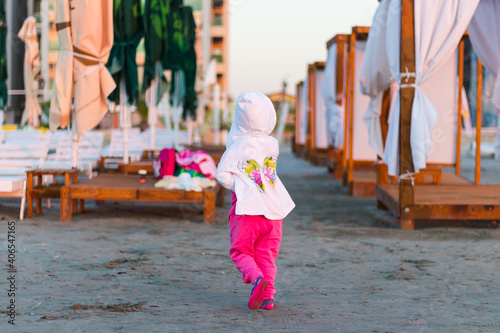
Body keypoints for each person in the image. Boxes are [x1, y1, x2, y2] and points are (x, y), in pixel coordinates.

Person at [216, 91, 295, 310]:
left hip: (248, 212)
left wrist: (241, 186)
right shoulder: (273, 144)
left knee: (241, 252)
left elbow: (221, 175)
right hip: (273, 213)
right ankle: (268, 297)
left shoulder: (237, 147)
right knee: (266, 256)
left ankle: (256, 279)